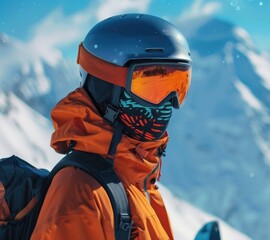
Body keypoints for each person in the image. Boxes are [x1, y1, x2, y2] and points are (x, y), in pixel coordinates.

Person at [30, 13, 192, 240]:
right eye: (151, 87)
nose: (169, 102)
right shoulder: (82, 192)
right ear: (105, 88)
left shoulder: (137, 177)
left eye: (178, 86)